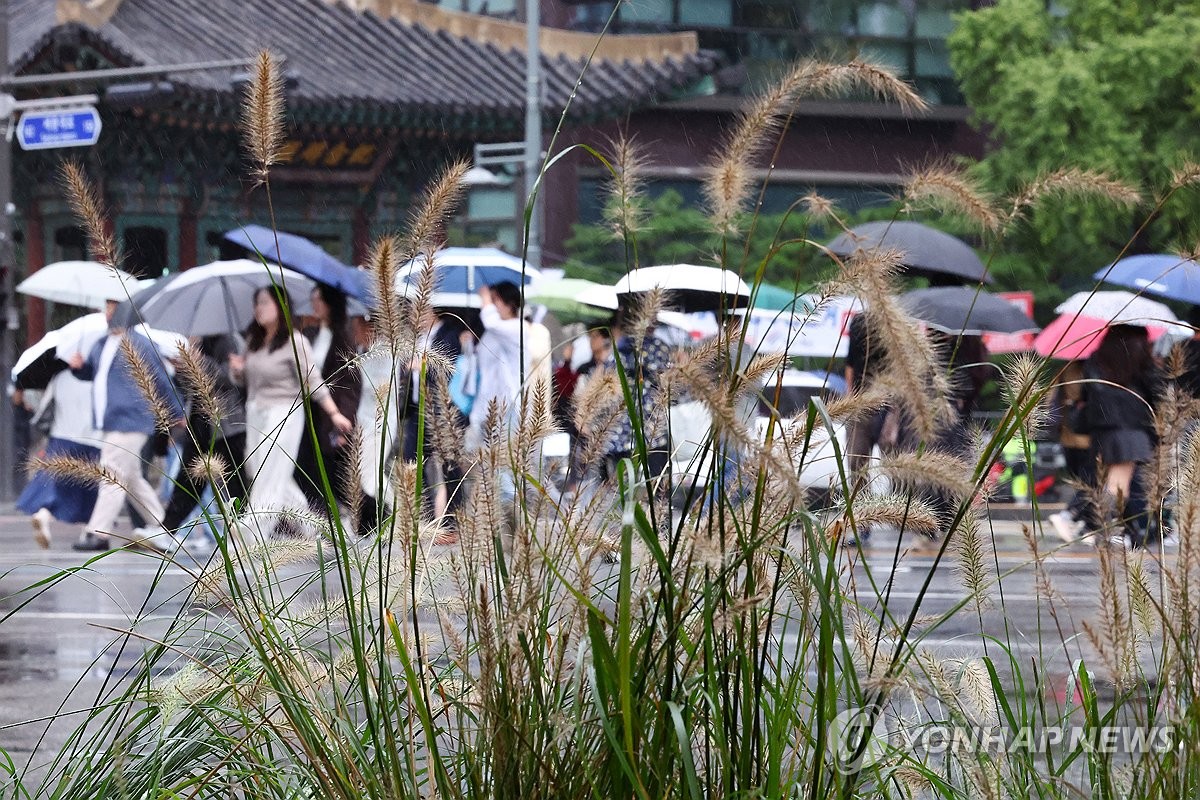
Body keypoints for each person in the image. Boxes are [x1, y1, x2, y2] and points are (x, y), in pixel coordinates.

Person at [229, 287, 353, 538]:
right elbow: (245, 381)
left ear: (280, 305)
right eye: (256, 303)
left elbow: (313, 381)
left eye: (264, 302)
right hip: (255, 412)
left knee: (269, 474)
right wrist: (238, 370)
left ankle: (250, 533)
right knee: (260, 470)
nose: (259, 309)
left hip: (283, 413)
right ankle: (316, 529)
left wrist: (335, 413)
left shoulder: (295, 341)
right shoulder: (254, 341)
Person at [67, 300, 186, 552]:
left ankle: (98, 532)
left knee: (111, 473)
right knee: (131, 479)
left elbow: (160, 378)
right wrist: (78, 368)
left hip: (132, 418)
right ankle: (164, 529)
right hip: (111, 420)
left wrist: (176, 410)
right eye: (107, 307)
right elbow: (95, 374)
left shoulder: (139, 343)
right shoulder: (101, 343)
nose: (108, 312)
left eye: (113, 307)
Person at [1051, 325, 1158, 547]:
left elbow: (1085, 395)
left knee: (1103, 480)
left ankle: (1103, 527)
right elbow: (1157, 393)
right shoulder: (1142, 363)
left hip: (1101, 429)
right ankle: (1103, 527)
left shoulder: (1095, 361)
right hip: (1131, 430)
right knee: (1119, 485)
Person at [158, 334, 249, 546]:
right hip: (200, 424)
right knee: (189, 478)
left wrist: (197, 361)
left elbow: (230, 380)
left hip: (227, 426)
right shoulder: (195, 344)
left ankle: (243, 534)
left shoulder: (229, 341)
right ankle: (166, 530)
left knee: (233, 484)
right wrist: (181, 367)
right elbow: (188, 387)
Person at [19, 369, 102, 549]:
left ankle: (43, 515)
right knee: (91, 492)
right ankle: (91, 533)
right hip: (93, 440)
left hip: (61, 438)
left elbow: (44, 408)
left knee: (56, 488)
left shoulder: (60, 377)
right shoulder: (101, 375)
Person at [295, 285, 362, 509]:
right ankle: (320, 519)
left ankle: (370, 518)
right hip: (308, 412)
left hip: (330, 415)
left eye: (318, 299)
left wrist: (344, 417)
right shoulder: (309, 334)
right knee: (308, 469)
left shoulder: (343, 338)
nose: (313, 303)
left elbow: (351, 384)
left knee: (337, 474)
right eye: (312, 298)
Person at [467, 281, 530, 449]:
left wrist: (486, 297)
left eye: (495, 300)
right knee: (486, 463)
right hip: (487, 404)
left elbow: (491, 322)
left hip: (508, 405)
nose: (491, 305)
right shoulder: (493, 332)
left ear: (510, 304)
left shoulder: (518, 327)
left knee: (505, 462)